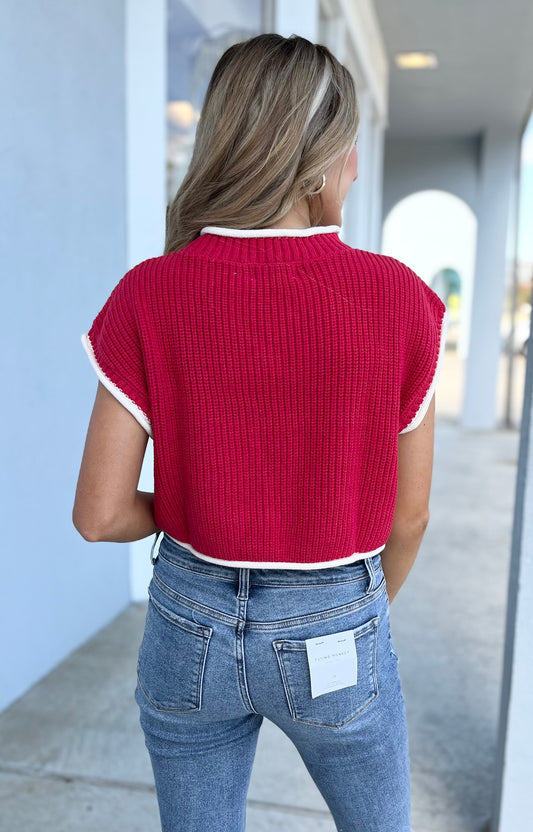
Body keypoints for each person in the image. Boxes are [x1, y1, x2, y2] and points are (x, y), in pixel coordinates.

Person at [73, 32, 448, 832]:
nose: (354, 168)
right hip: (334, 620)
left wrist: (201, 504)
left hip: (186, 622)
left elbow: (99, 515)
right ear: (315, 159)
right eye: (347, 149)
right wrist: (349, 616)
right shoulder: (397, 299)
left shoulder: (149, 293)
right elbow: (408, 519)